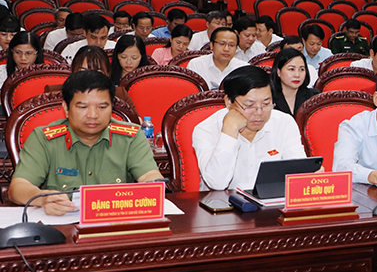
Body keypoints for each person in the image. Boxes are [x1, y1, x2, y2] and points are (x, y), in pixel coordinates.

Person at [8, 70, 162, 215]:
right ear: (66, 108)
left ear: (112, 107)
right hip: (63, 226)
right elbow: (17, 188)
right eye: (83, 107)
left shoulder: (131, 137)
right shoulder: (43, 138)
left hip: (115, 223)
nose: (93, 115)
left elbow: (150, 175)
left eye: (102, 107)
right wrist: (42, 198)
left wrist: (153, 184)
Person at [193, 66, 308, 191]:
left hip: (271, 200)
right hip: (223, 201)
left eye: (266, 104)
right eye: (249, 105)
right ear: (229, 102)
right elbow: (217, 184)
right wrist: (229, 132)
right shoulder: (206, 130)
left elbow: (297, 173)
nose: (259, 112)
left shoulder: (284, 122)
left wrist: (309, 175)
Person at [270, 47, 319, 117]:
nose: (297, 75)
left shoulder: (314, 97)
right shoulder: (268, 99)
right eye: (291, 69)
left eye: (301, 69)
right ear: (278, 72)